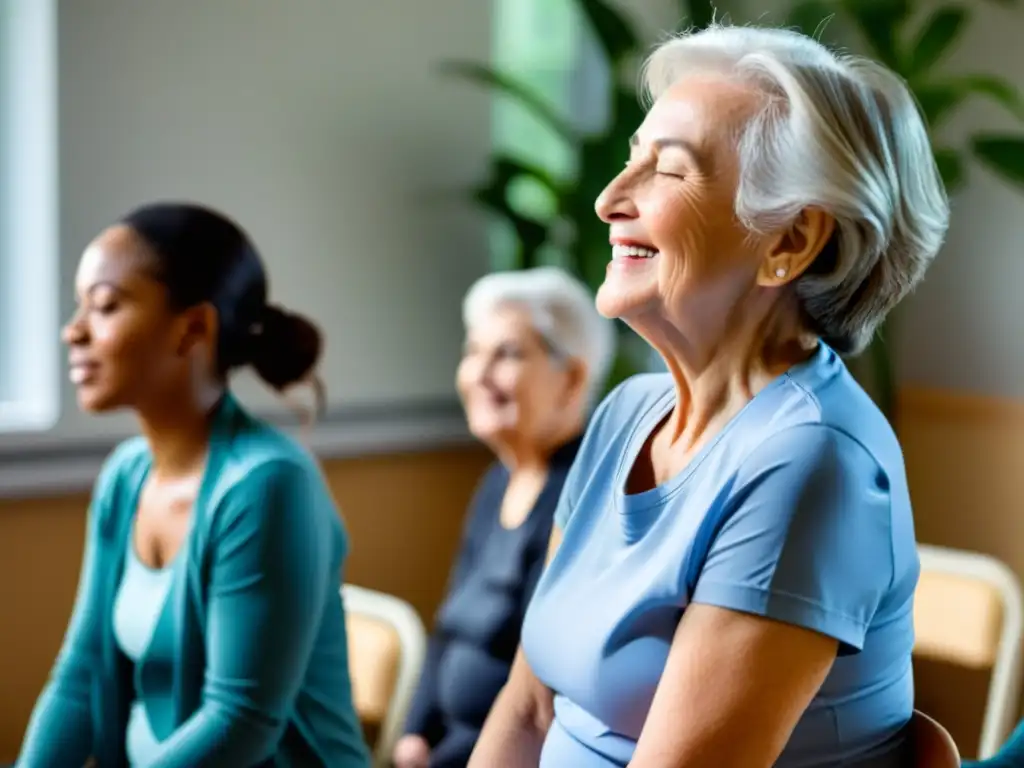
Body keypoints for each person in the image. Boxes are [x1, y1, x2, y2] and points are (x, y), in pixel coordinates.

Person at [468, 23, 951, 768]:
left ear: (788, 242)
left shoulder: (811, 462)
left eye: (668, 171)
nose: (607, 200)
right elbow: (530, 709)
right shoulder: (626, 413)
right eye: (632, 159)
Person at [16, 203, 370, 767]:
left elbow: (240, 722)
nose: (73, 330)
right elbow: (80, 673)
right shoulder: (125, 477)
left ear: (194, 327)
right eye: (80, 305)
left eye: (105, 305)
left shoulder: (267, 486)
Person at [391, 267, 615, 768]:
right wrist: (413, 735)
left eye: (507, 354)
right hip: (449, 747)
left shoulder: (581, 492)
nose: (478, 374)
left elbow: (544, 687)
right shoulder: (498, 481)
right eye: (473, 353)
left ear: (572, 378)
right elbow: (448, 624)